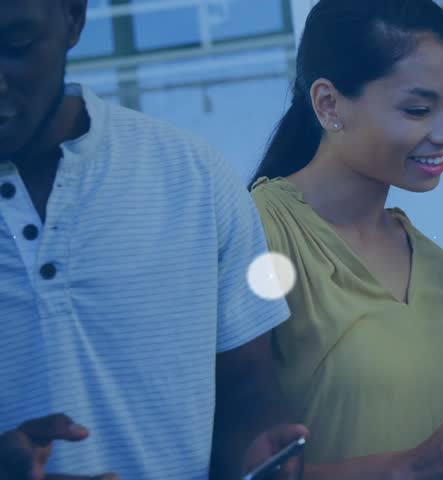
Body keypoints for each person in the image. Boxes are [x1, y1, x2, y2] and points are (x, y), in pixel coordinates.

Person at [0, 0, 305, 478]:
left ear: (74, 19)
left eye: (15, 45)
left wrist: (255, 450)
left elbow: (247, 391)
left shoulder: (194, 178)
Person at [249, 0, 443, 478]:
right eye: (418, 108)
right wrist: (412, 465)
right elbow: (229, 463)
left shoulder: (431, 262)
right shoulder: (260, 232)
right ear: (328, 104)